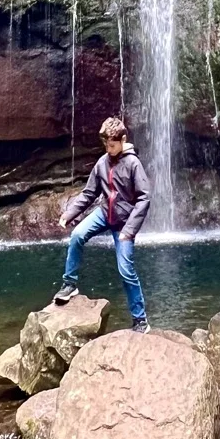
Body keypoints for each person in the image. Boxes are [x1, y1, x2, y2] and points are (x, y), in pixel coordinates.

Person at [53, 117, 151, 333]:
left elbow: (144, 198)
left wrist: (129, 231)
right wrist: (69, 214)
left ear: (123, 140)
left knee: (126, 270)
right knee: (78, 234)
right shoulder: (102, 163)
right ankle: (69, 284)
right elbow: (89, 193)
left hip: (124, 223)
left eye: (112, 145)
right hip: (104, 213)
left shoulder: (133, 164)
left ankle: (140, 320)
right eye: (106, 144)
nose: (109, 148)